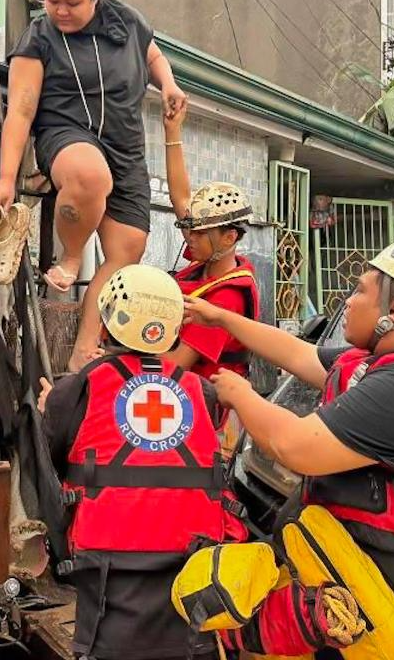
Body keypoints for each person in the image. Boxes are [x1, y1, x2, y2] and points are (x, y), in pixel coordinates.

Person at [185, 238, 394, 660]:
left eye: (359, 291)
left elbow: (295, 447)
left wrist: (241, 395)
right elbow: (301, 355)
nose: (349, 301)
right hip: (362, 575)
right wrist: (220, 317)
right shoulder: (389, 358)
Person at [0, 0, 188, 372]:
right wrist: (5, 178)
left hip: (125, 146)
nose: (60, 10)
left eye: (71, 3)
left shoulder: (126, 21)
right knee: (89, 176)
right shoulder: (38, 39)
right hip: (67, 134)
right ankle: (71, 255)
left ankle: (82, 354)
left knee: (128, 250)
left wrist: (168, 83)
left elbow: (152, 56)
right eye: (52, 1)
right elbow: (21, 110)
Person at [39, 264, 247, 660]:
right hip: (192, 580)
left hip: (105, 581)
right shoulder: (201, 391)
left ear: (106, 326)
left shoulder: (76, 390)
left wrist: (51, 407)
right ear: (173, 330)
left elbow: (55, 460)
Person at [160, 103, 259, 383]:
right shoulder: (208, 256)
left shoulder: (227, 298)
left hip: (207, 403)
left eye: (200, 233)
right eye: (191, 229)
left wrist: (120, 356)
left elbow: (176, 365)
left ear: (229, 237)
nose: (190, 237)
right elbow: (180, 196)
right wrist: (173, 130)